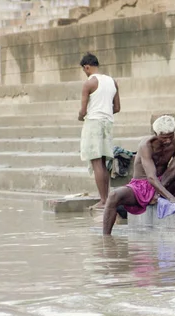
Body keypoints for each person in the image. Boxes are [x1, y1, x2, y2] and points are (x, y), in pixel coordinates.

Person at [102, 115, 175, 235]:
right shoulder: (146, 145)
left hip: (163, 181)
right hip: (142, 186)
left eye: (170, 137)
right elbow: (151, 177)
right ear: (155, 133)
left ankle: (157, 195)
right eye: (164, 138)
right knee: (113, 196)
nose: (168, 141)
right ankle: (106, 238)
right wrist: (170, 198)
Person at [78, 52, 121, 210]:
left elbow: (83, 112)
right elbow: (117, 108)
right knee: (103, 162)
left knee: (96, 162)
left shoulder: (89, 83)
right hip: (108, 122)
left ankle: (103, 201)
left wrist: (80, 116)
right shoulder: (112, 81)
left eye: (84, 70)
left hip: (93, 123)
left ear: (87, 67)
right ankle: (106, 198)